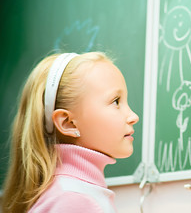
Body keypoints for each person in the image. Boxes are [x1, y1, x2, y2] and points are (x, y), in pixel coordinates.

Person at [2, 52, 139, 213]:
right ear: (68, 123)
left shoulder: (72, 194)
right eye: (116, 101)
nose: (133, 117)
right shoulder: (76, 201)